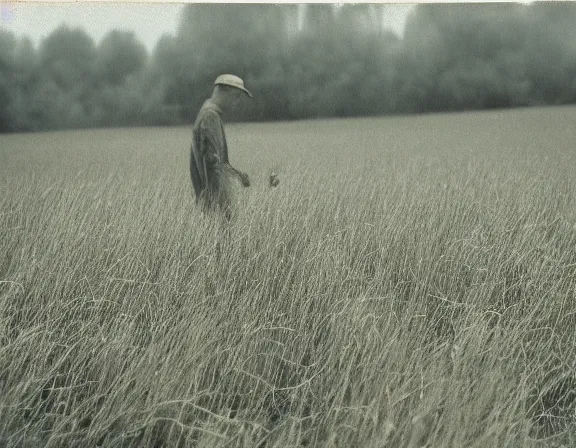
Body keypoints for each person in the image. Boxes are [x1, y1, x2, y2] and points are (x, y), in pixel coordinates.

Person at [190, 74, 252, 220]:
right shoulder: (210, 117)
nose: (237, 102)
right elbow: (213, 163)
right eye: (237, 96)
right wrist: (225, 210)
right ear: (227, 91)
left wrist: (237, 175)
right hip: (214, 203)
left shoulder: (205, 113)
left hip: (208, 201)